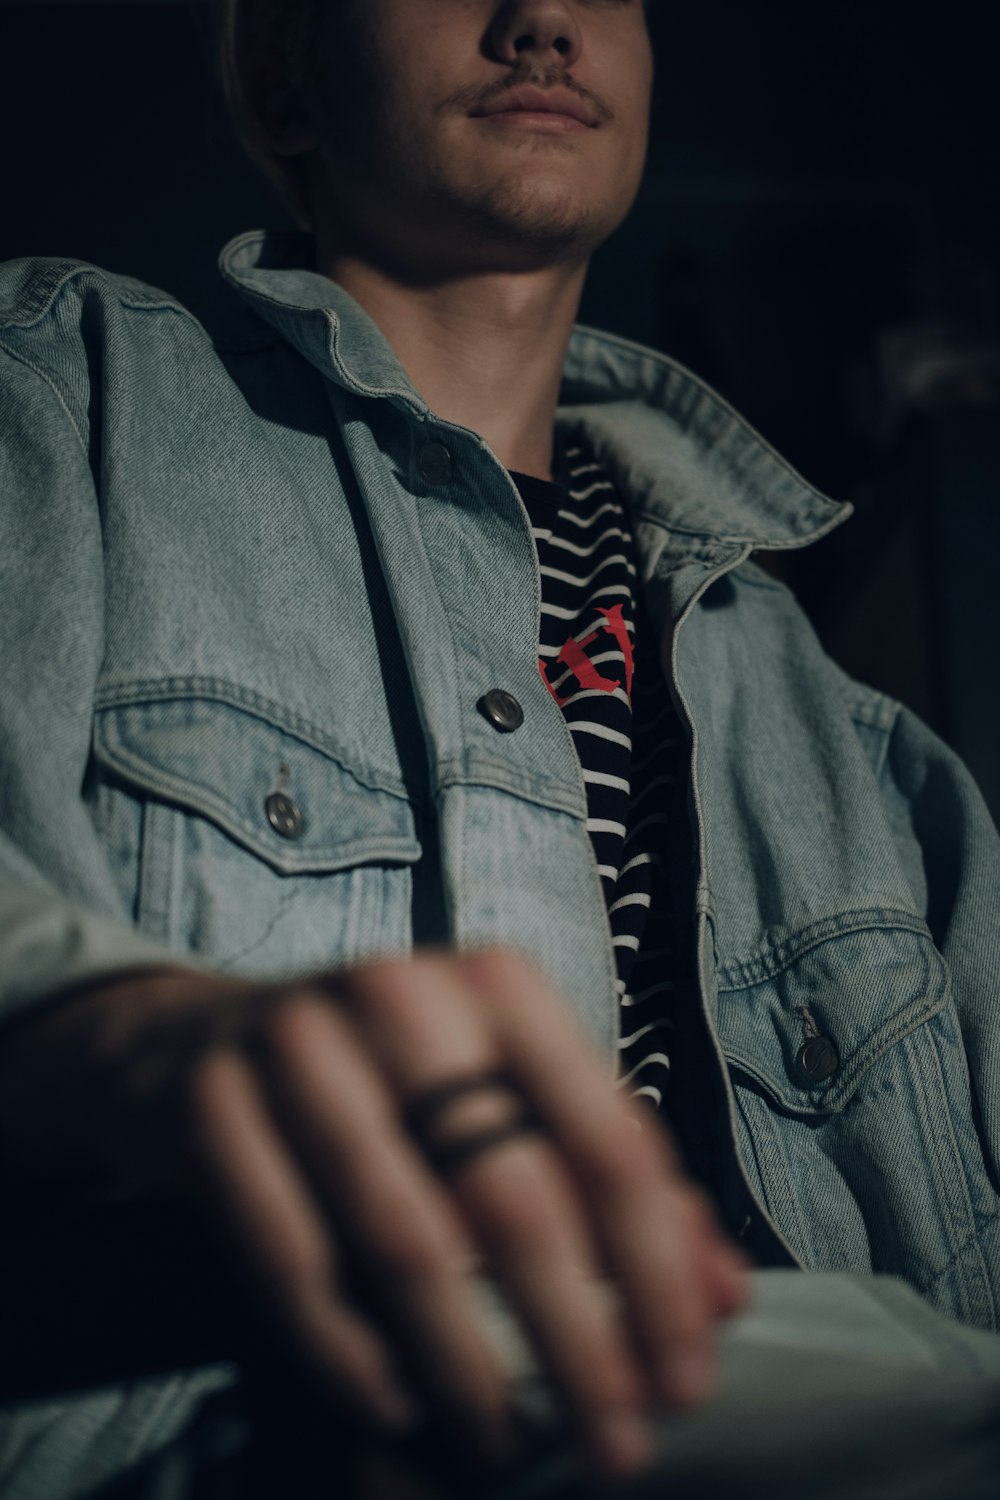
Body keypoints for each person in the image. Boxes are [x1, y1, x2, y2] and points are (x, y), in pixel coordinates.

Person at [0, 2, 998, 1497]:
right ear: (284, 83)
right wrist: (118, 1032)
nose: (542, 18)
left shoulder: (868, 755)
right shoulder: (62, 398)